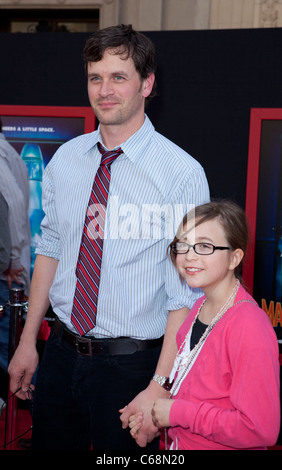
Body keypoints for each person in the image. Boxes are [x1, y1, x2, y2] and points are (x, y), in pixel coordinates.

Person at [8, 24, 209, 450]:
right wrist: (28, 343)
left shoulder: (181, 174)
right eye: (95, 77)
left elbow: (186, 295)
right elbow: (50, 249)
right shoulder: (66, 160)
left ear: (147, 84)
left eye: (119, 77)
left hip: (133, 369)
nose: (105, 90)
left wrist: (159, 386)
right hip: (60, 356)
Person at [129, 201, 280, 450]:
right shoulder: (198, 308)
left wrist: (178, 413)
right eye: (183, 245)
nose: (188, 255)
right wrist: (156, 419)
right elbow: (191, 391)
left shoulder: (249, 325)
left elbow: (259, 429)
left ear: (234, 258)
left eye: (204, 246)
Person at [0, 119, 30, 373]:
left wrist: (10, 260)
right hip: (10, 274)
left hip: (6, 278)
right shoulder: (12, 155)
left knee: (6, 357)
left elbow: (13, 202)